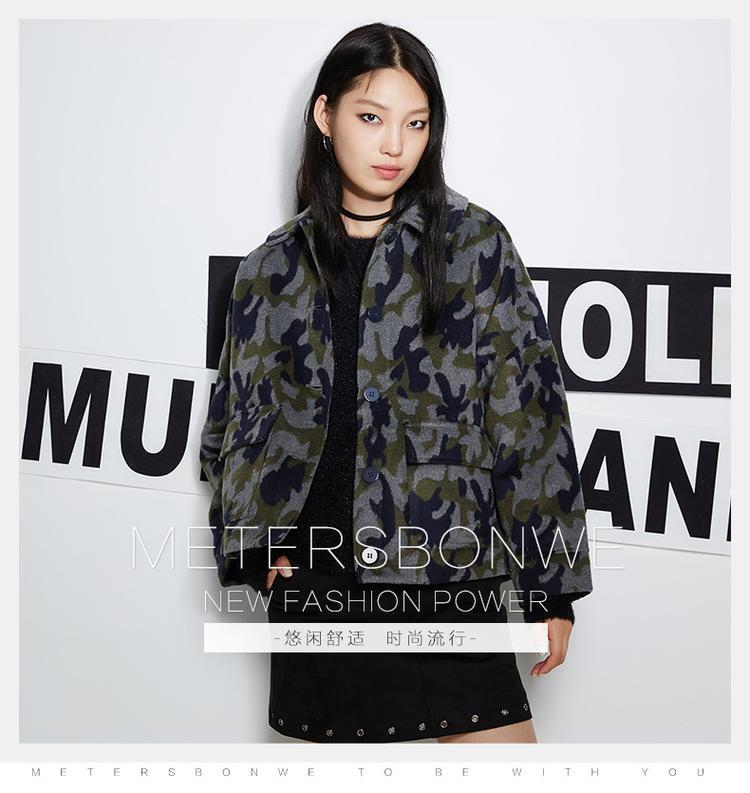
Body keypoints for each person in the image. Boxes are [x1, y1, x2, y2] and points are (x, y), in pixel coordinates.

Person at [199, 22, 593, 744]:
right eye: (371, 117)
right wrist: (257, 548)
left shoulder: (476, 247)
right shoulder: (269, 270)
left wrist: (552, 583)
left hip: (448, 573)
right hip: (318, 585)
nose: (394, 145)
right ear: (325, 116)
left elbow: (531, 421)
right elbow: (233, 428)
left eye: (416, 123)